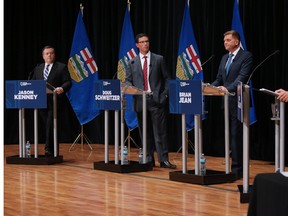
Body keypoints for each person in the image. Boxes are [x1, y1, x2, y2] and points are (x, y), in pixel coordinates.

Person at [125, 33, 176, 169]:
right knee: (144, 132)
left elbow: (167, 79)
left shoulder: (159, 59)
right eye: (142, 42)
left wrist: (164, 95)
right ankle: (148, 159)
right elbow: (128, 80)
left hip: (156, 100)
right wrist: (131, 90)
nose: (145, 44)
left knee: (160, 132)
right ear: (137, 45)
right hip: (140, 101)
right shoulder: (132, 62)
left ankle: (163, 159)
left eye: (147, 41)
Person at [211, 30, 253, 179]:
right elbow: (219, 78)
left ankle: (238, 170)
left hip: (239, 101)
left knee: (236, 136)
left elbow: (241, 78)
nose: (225, 43)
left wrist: (226, 88)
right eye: (224, 41)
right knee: (230, 136)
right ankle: (232, 167)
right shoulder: (224, 58)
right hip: (227, 102)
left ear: (236, 42)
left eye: (228, 40)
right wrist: (210, 87)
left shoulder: (246, 56)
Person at [31, 45, 72, 156]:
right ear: (43, 56)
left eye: (51, 53)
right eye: (47, 53)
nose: (49, 55)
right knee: (48, 126)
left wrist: (62, 88)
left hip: (55, 101)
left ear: (54, 55)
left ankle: (49, 148)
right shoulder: (38, 68)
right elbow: (33, 83)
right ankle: (52, 148)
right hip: (40, 102)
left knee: (50, 124)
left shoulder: (61, 67)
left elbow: (68, 82)